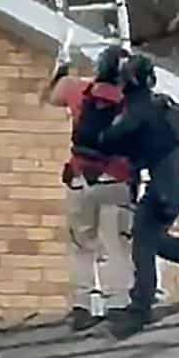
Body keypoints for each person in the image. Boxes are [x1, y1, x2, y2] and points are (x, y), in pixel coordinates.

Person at [95, 54, 179, 339]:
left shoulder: (137, 111)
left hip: (165, 185)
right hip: (178, 179)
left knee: (143, 239)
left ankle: (141, 307)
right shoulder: (162, 104)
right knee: (151, 235)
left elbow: (108, 139)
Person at [40, 43, 136, 331]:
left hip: (81, 181)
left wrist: (61, 71)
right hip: (116, 182)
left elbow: (50, 96)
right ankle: (117, 303)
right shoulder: (130, 101)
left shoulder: (78, 90)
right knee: (116, 246)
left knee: (81, 245)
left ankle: (81, 306)